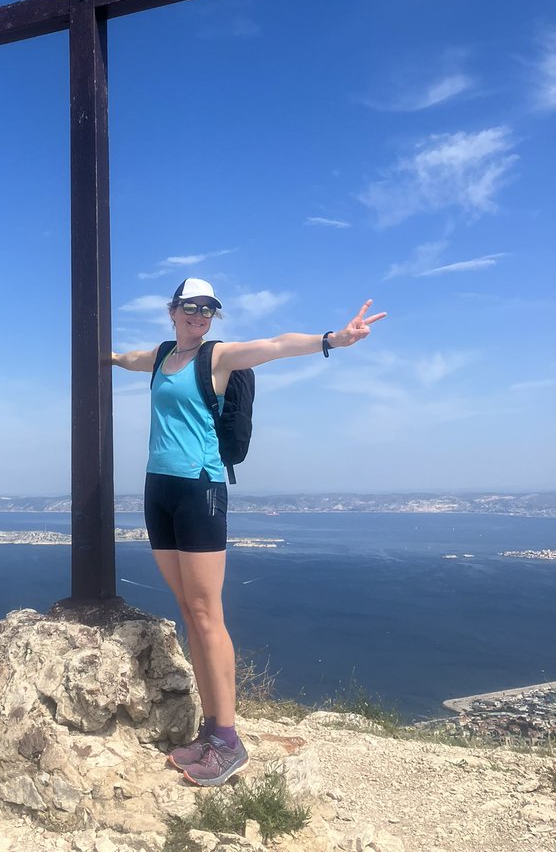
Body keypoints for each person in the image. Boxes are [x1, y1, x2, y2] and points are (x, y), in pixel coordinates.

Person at [111, 277, 386, 786]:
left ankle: (228, 740)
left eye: (208, 309)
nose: (198, 315)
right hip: (158, 490)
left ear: (213, 317)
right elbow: (128, 358)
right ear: (172, 311)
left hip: (199, 489)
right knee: (190, 613)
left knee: (207, 614)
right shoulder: (161, 355)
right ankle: (210, 731)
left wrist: (333, 339)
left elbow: (276, 346)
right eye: (190, 307)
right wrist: (100, 356)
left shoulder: (217, 357)